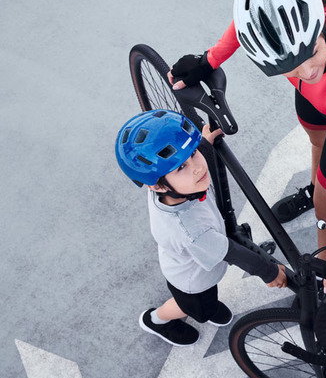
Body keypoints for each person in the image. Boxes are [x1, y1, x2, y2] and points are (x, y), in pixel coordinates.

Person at [169, 0, 326, 309]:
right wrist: (209, 60)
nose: (309, 70)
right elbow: (252, 25)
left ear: (320, 24)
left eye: (313, 52)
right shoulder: (290, 35)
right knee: (317, 149)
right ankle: (317, 190)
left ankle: (325, 273)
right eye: (292, 66)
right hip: (316, 102)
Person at [116, 109, 287, 346]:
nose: (197, 167)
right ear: (157, 187)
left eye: (193, 153)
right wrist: (268, 271)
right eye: (180, 168)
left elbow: (186, 166)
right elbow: (231, 252)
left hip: (192, 264)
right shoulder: (191, 231)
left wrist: (203, 144)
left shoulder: (170, 189)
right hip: (192, 282)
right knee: (196, 308)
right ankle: (156, 319)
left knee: (208, 299)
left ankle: (206, 305)